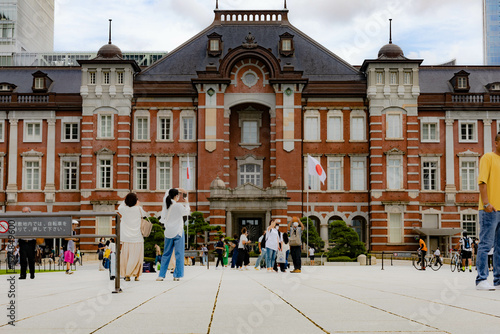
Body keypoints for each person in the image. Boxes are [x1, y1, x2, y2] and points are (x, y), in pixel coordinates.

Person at [476, 133, 500, 290]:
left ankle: (498, 280)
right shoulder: (488, 157)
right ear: (497, 143)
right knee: (486, 244)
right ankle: (481, 279)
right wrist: (486, 203)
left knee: (499, 247)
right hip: (489, 209)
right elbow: (482, 181)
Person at [157, 188, 190, 282]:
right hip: (178, 232)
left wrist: (176, 189)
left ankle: (161, 275)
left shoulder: (166, 204)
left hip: (168, 233)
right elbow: (186, 212)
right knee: (179, 254)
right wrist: (186, 202)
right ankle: (177, 275)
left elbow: (166, 194)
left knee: (166, 254)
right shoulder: (178, 206)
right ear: (176, 196)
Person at [118, 192, 145, 282]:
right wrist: (136, 204)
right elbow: (145, 216)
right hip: (137, 237)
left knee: (126, 257)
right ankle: (137, 275)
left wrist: (127, 201)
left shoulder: (123, 209)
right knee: (137, 257)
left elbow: (120, 206)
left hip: (126, 237)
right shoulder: (139, 209)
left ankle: (127, 274)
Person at [19, 206, 36, 280]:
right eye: (23, 212)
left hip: (31, 242)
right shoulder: (20, 221)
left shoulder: (33, 221)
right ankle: (23, 274)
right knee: (23, 259)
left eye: (26, 212)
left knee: (31, 259)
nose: (25, 213)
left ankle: (32, 274)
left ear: (30, 212)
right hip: (22, 242)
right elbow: (17, 232)